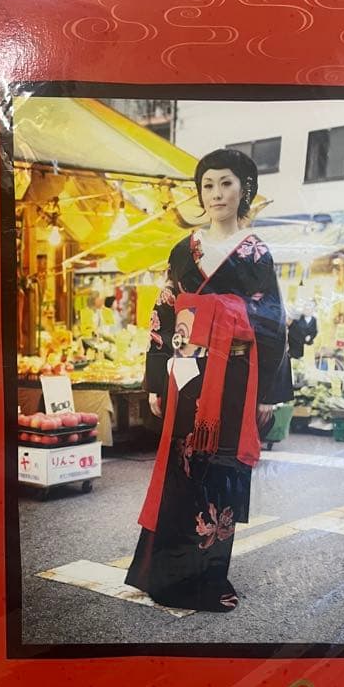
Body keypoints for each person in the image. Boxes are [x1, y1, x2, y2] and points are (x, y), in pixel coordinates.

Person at [125, 148, 291, 613]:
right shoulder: (185, 250)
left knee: (221, 472)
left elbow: (273, 323)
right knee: (180, 471)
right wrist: (156, 378)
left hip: (235, 377)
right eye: (208, 185)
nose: (216, 193)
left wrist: (269, 394)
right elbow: (163, 312)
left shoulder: (256, 252)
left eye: (226, 183)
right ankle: (164, 574)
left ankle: (209, 578)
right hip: (187, 373)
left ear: (244, 190)